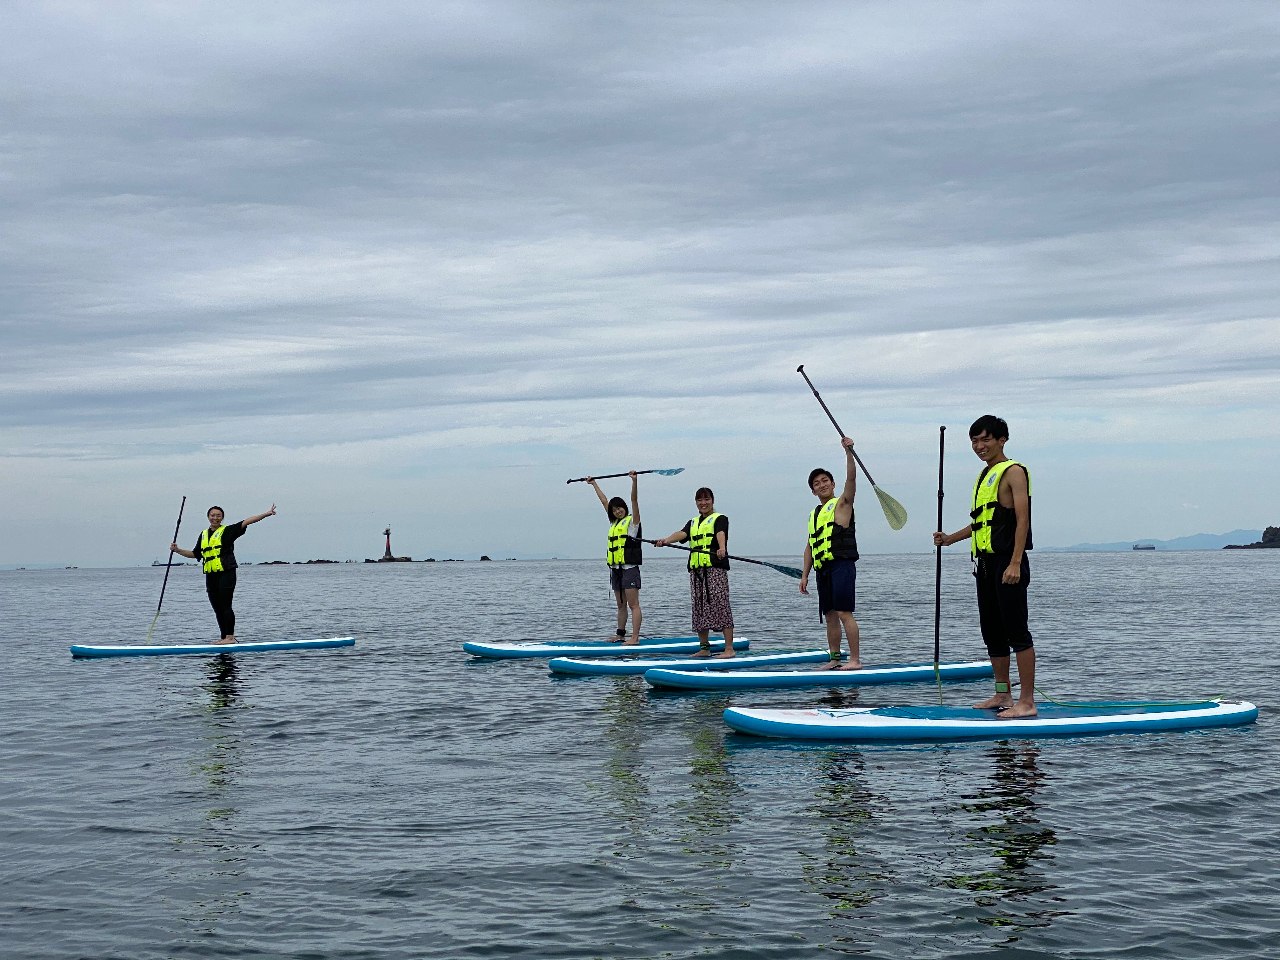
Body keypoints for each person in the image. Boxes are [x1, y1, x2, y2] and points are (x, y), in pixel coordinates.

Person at [933, 415, 1036, 719]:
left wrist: (1015, 562)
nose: (979, 446)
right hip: (985, 563)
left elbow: (1022, 519)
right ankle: (1003, 693)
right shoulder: (985, 475)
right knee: (992, 631)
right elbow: (982, 522)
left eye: (985, 439)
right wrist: (949, 539)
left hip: (1008, 561)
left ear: (1002, 440)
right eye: (974, 441)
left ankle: (1027, 702)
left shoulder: (1013, 471)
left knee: (1016, 631)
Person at [170, 504, 277, 644]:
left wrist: (267, 513)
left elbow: (247, 521)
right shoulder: (203, 535)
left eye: (218, 516)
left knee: (225, 605)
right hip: (211, 575)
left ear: (222, 518)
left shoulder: (227, 531)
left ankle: (230, 637)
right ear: (208, 517)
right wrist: (177, 550)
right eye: (212, 515)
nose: (215, 518)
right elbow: (195, 554)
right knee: (217, 607)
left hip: (227, 573)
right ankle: (224, 637)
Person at [800, 437, 861, 669]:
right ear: (813, 490)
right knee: (830, 616)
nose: (821, 485)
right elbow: (810, 546)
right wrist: (804, 575)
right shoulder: (814, 515)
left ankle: (855, 660)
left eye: (825, 480)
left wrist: (849, 453)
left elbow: (851, 479)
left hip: (841, 565)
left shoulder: (842, 504)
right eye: (817, 483)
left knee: (844, 612)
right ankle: (835, 659)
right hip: (823, 569)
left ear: (833, 483)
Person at [655, 488, 734, 658]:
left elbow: (721, 533)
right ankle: (704, 648)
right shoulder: (692, 523)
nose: (703, 503)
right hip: (697, 572)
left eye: (706, 499)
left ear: (712, 500)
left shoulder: (720, 519)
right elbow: (682, 534)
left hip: (715, 569)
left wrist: (722, 548)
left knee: (721, 605)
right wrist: (666, 541)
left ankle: (729, 649)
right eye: (699, 500)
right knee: (699, 608)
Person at [586, 472, 642, 644]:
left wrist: (634, 481)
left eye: (620, 508)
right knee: (620, 605)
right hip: (616, 569)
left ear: (624, 508)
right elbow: (604, 501)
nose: (618, 511)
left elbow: (634, 500)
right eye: (614, 509)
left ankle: (635, 638)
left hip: (629, 568)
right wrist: (594, 484)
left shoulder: (632, 523)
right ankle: (620, 635)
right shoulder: (614, 523)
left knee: (633, 604)